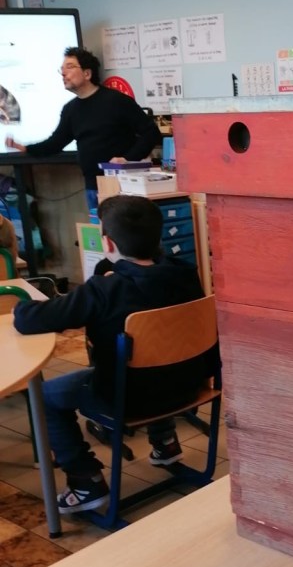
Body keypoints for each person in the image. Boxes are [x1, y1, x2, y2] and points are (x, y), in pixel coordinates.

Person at [13, 194, 214, 515]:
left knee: (47, 396)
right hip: (190, 388)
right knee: (157, 356)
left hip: (129, 399)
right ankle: (165, 443)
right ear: (158, 238)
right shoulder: (186, 275)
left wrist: (21, 305)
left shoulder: (104, 289)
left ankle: (85, 481)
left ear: (107, 243)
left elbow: (30, 320)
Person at [3, 47, 161, 213]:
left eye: (70, 67)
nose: (64, 74)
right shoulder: (71, 109)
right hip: (92, 185)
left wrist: (128, 159)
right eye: (62, 69)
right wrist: (26, 148)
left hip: (123, 183)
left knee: (122, 228)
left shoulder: (116, 101)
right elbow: (56, 143)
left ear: (87, 74)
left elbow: (151, 133)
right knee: (99, 228)